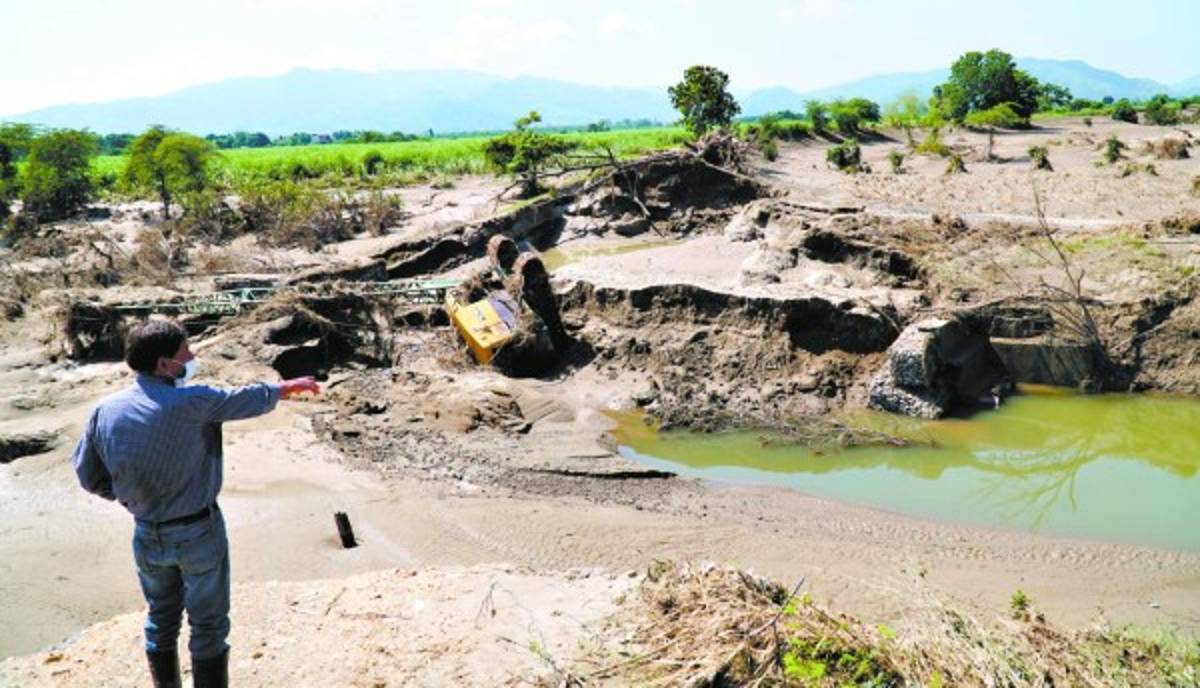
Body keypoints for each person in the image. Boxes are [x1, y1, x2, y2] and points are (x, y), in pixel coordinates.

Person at [72, 319, 319, 688]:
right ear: (164, 364)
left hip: (146, 534)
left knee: (160, 619)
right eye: (184, 352)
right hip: (198, 532)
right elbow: (245, 399)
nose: (192, 356)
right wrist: (286, 388)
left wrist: (130, 500)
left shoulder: (104, 411)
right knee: (208, 626)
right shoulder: (194, 401)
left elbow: (88, 475)